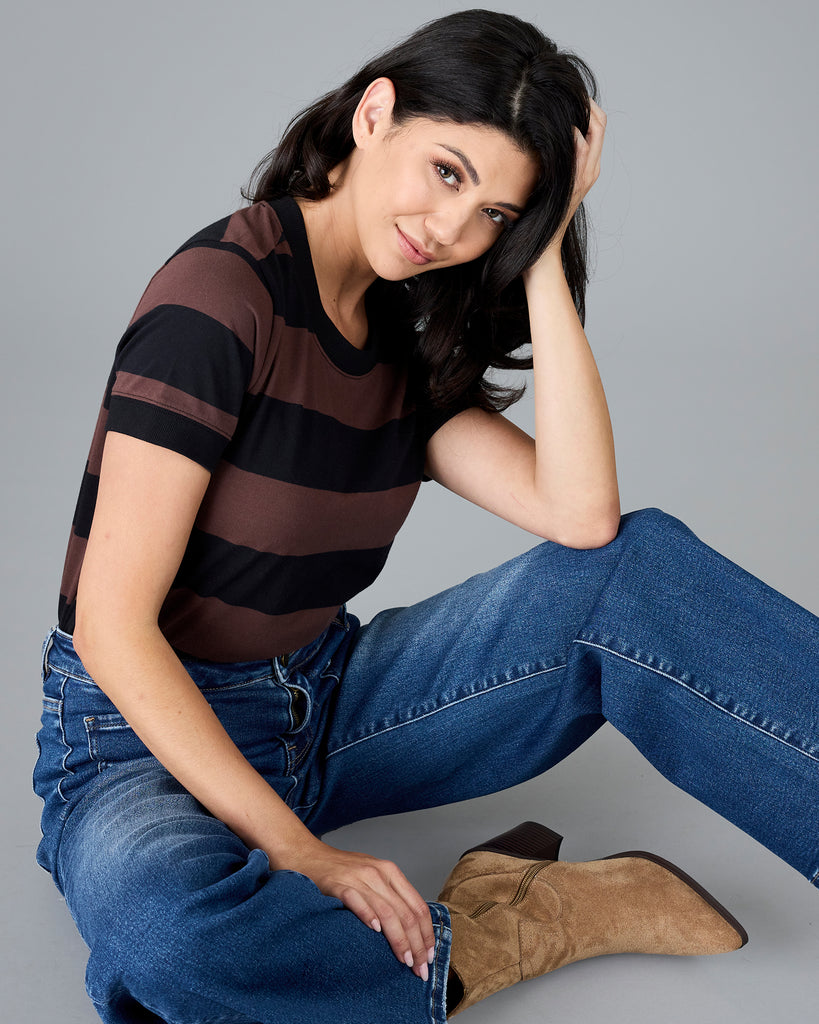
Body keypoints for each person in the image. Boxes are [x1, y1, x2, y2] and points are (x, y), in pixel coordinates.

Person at [33, 9, 818, 1024]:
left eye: (494, 213)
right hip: (137, 745)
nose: (453, 229)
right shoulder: (219, 299)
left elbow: (583, 517)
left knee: (635, 572)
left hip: (323, 709)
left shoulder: (408, 332)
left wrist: (544, 245)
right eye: (449, 172)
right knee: (167, 937)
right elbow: (110, 626)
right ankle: (497, 929)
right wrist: (301, 852)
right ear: (374, 115)